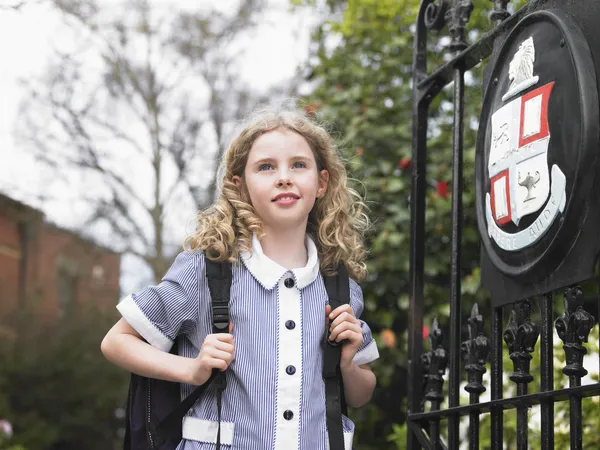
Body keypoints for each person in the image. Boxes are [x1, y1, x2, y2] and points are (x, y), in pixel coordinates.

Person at [100, 105, 379, 450]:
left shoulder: (341, 288)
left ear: (321, 183)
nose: (284, 177)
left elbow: (362, 393)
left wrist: (349, 363)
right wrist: (192, 369)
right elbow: (116, 342)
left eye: (299, 165)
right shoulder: (205, 272)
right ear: (240, 185)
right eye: (265, 167)